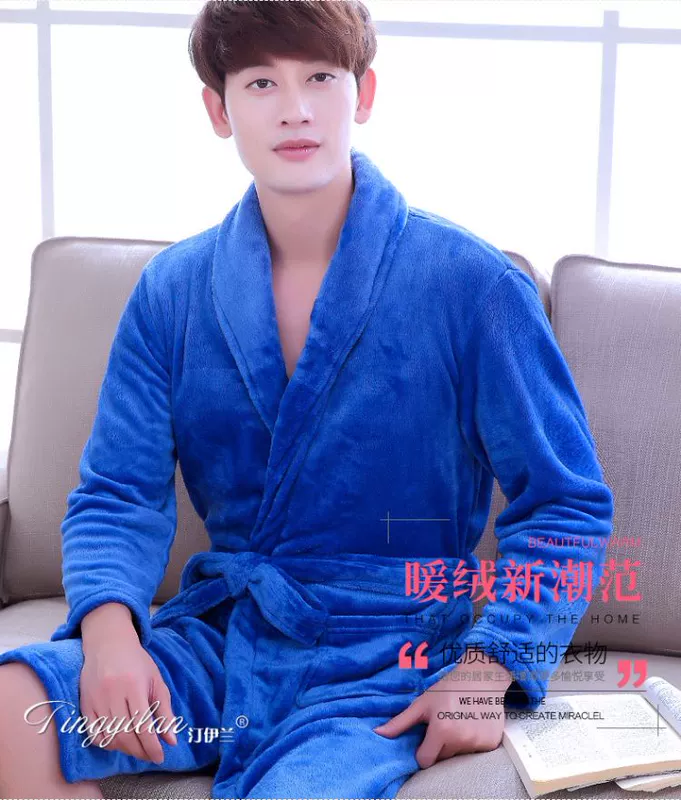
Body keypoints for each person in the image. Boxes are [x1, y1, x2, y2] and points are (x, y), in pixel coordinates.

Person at [0, 1, 615, 798]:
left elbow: (564, 502)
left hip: (389, 656)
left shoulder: (471, 285)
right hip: (225, 639)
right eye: (260, 83)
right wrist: (109, 633)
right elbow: (118, 491)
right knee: (15, 706)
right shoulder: (172, 292)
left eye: (319, 77)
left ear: (363, 94)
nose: (293, 109)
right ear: (218, 109)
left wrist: (487, 668)